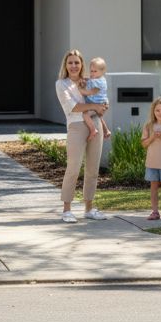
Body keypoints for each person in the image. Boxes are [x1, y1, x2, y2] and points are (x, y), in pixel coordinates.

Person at [54, 48, 109, 223]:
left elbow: (101, 99)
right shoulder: (61, 84)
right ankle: (67, 210)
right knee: (73, 168)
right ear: (65, 65)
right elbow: (73, 107)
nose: (73, 65)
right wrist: (94, 107)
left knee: (93, 169)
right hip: (77, 126)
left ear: (82, 64)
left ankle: (89, 208)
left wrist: (103, 106)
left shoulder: (89, 81)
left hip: (96, 124)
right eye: (70, 62)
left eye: (77, 62)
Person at [78, 57, 112, 139]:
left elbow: (91, 92)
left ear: (102, 72)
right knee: (98, 116)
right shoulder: (99, 79)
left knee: (85, 114)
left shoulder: (98, 82)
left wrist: (81, 90)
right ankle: (106, 130)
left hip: (99, 104)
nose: (92, 73)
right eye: (91, 71)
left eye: (95, 71)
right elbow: (90, 80)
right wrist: (86, 80)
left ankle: (93, 130)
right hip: (100, 103)